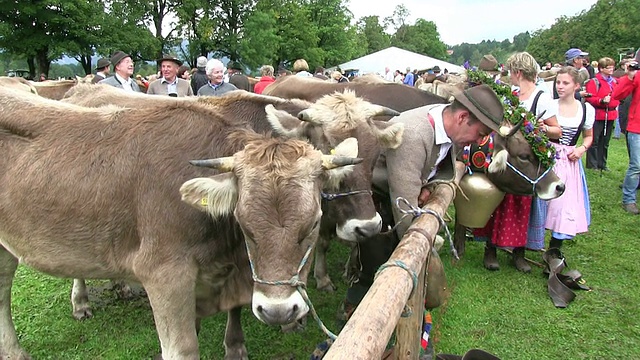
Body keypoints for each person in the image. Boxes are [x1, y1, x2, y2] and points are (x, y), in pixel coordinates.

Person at [474, 52, 561, 271]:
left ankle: (518, 253)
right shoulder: (510, 95)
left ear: (518, 72)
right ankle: (491, 249)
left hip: (527, 162)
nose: (509, 77)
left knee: (523, 206)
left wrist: (541, 128)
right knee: (498, 202)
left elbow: (557, 131)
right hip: (508, 159)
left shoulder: (541, 98)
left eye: (511, 72)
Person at [544, 66, 594, 247]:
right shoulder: (550, 106)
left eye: (565, 83)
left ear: (576, 86)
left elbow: (589, 136)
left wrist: (581, 149)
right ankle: (529, 242)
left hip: (569, 160)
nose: (560, 86)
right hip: (549, 156)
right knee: (543, 202)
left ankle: (555, 248)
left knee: (563, 203)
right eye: (558, 82)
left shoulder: (585, 109)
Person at [613, 50, 640, 215]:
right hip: (637, 127)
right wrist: (629, 76)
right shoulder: (636, 76)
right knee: (636, 165)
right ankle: (629, 199)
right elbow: (617, 94)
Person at [584, 57, 619, 170]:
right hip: (598, 114)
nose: (611, 69)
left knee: (605, 141)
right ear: (601, 69)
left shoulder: (614, 81)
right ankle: (592, 164)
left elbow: (618, 95)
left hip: (610, 115)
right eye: (608, 68)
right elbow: (590, 97)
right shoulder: (594, 81)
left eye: (612, 67)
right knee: (594, 140)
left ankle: (602, 163)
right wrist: (601, 100)